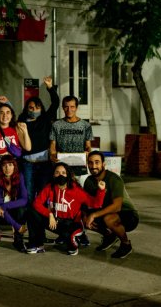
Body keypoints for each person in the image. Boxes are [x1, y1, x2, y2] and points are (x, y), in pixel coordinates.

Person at [26, 162, 106, 255]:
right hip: (56, 221)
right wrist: (49, 214)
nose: (60, 175)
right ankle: (36, 244)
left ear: (68, 174)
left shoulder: (76, 190)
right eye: (57, 173)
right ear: (53, 175)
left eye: (63, 173)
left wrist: (101, 190)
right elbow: (36, 204)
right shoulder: (50, 187)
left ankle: (77, 238)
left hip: (72, 223)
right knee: (32, 212)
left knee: (71, 248)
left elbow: (95, 204)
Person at [49, 95, 94, 245]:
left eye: (72, 107)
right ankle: (64, 232)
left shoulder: (85, 125)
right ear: (63, 107)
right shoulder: (56, 125)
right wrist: (53, 156)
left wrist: (88, 152)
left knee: (79, 203)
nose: (69, 109)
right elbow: (52, 147)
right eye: (66, 107)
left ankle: (81, 233)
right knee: (61, 202)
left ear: (76, 107)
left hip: (80, 169)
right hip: (62, 171)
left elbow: (88, 146)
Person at [83, 151, 139, 258]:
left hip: (128, 214)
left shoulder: (113, 179)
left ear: (103, 164)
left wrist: (93, 215)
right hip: (106, 211)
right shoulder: (89, 181)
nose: (93, 166)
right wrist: (85, 215)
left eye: (97, 162)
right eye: (90, 163)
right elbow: (85, 203)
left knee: (108, 219)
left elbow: (117, 206)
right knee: (81, 217)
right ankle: (109, 236)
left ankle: (126, 244)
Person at [18, 76, 59, 204]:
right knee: (28, 193)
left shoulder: (45, 119)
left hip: (44, 164)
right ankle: (30, 221)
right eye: (31, 108)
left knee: (43, 192)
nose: (34, 110)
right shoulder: (22, 123)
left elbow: (56, 103)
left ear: (41, 108)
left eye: (37, 107)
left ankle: (43, 219)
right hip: (27, 163)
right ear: (26, 109)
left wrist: (50, 87)